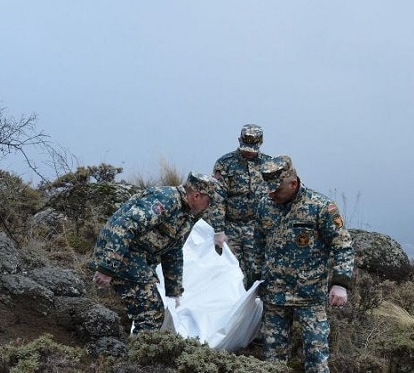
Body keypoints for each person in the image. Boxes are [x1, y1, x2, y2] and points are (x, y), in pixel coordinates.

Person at [251, 155, 354, 373]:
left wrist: (340, 283)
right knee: (273, 360)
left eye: (276, 189)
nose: (271, 194)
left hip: (309, 296)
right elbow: (257, 243)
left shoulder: (321, 207)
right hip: (274, 296)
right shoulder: (264, 205)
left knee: (316, 357)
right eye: (268, 189)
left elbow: (342, 245)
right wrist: (254, 279)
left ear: (293, 183)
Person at [89, 171, 220, 333]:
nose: (209, 206)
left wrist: (174, 292)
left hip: (136, 260)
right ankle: (139, 356)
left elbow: (173, 253)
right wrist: (107, 268)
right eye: (209, 201)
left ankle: (138, 351)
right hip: (122, 255)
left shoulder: (185, 214)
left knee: (152, 311)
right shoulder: (165, 200)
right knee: (151, 312)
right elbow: (125, 226)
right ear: (196, 196)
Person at [205, 123, 272, 288]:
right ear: (239, 140)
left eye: (252, 148)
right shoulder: (225, 163)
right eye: (245, 148)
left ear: (261, 143)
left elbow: (275, 198)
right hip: (231, 227)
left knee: (257, 272)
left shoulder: (269, 165)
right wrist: (219, 230)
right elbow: (218, 199)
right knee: (230, 271)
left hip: (256, 228)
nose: (248, 152)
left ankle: (257, 310)